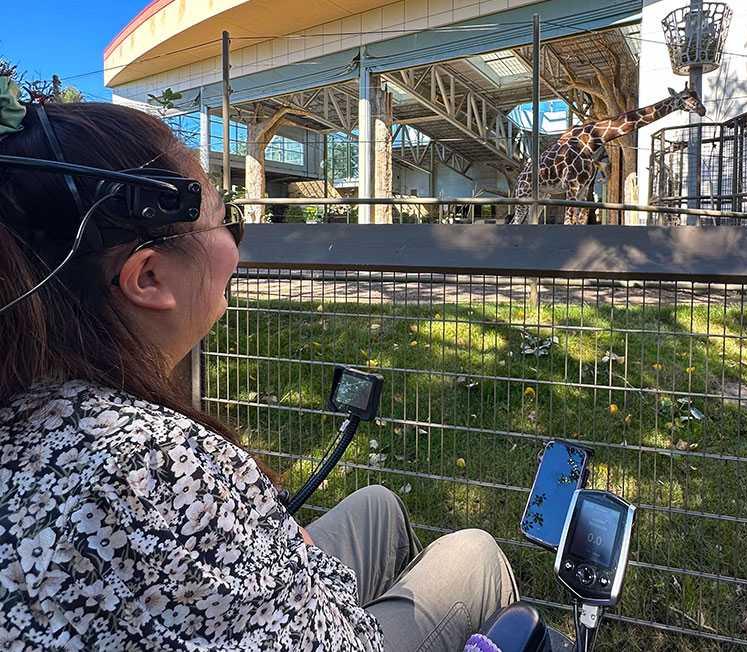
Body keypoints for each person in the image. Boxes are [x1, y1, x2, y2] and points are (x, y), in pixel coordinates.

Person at [0, 76, 517, 651]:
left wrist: (270, 547)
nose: (236, 242)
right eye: (227, 218)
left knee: (378, 505)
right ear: (149, 278)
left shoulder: (29, 398)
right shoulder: (151, 464)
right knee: (474, 554)